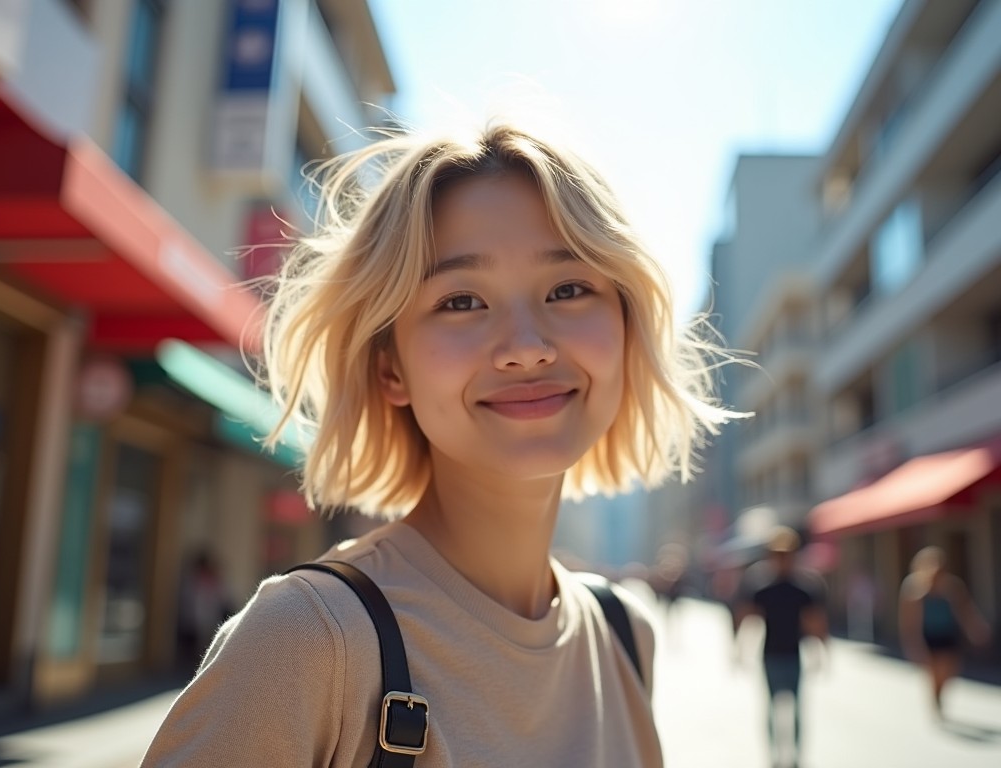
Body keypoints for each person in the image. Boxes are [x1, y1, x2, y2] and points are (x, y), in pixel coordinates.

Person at [140, 122, 742, 766]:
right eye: (460, 301)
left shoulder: (625, 638)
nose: (526, 347)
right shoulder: (308, 640)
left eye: (569, 289)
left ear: (627, 329)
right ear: (390, 368)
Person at [733, 526, 828, 768]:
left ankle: (794, 756)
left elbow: (815, 621)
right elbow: (747, 616)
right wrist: (739, 649)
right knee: (772, 708)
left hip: (793, 655)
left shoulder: (803, 589)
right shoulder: (763, 588)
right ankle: (775, 755)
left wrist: (821, 651)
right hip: (770, 655)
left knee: (796, 708)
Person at [898, 545, 991, 720]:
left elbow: (965, 610)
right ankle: (935, 697)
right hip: (928, 635)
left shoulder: (952, 587)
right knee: (934, 670)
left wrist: (975, 628)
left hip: (947, 633)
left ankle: (940, 692)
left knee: (949, 669)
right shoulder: (913, 588)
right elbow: (908, 620)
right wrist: (913, 644)